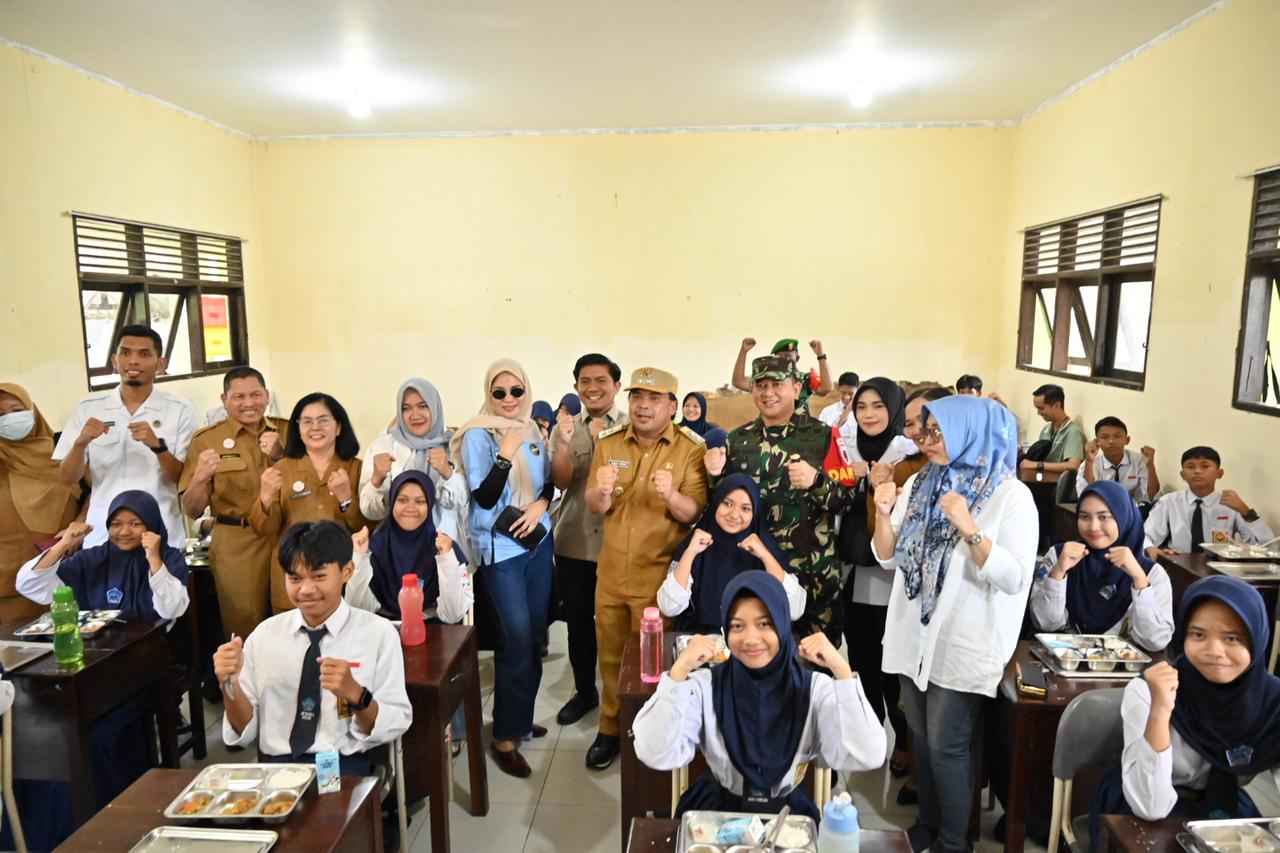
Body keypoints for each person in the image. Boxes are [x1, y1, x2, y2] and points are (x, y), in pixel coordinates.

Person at [871, 396, 1037, 853]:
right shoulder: (922, 481)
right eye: (925, 431)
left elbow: (1014, 577)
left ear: (972, 432)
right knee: (922, 737)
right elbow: (886, 556)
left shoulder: (1010, 496)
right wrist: (882, 513)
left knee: (948, 744)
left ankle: (953, 841)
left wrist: (969, 526)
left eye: (938, 432)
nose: (926, 441)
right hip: (913, 631)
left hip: (964, 639)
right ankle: (927, 825)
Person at [214, 520, 411, 844]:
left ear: (347, 571)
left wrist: (356, 694)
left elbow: (397, 721)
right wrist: (228, 684)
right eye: (295, 578)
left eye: (318, 576)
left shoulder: (377, 635)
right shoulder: (265, 635)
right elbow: (243, 732)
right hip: (274, 769)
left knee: (322, 838)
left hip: (339, 766)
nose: (305, 590)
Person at [634, 572, 887, 819]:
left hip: (788, 818)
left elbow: (867, 754)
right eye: (737, 626)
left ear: (783, 624)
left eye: (764, 623)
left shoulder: (814, 689)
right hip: (716, 813)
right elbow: (656, 752)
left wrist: (842, 671)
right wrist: (679, 671)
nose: (751, 639)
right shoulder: (706, 686)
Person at [586, 367, 708, 770]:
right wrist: (603, 492)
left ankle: (651, 730)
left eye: (655, 399)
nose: (643, 406)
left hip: (657, 580)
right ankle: (610, 727)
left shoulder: (690, 449)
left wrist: (671, 495)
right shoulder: (608, 443)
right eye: (637, 397)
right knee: (609, 657)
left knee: (652, 664)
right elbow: (595, 505)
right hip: (610, 575)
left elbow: (694, 512)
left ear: (672, 406)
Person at [1100, 576, 1280, 824]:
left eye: (1232, 638)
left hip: (1225, 809)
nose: (1214, 650)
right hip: (1143, 812)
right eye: (1198, 634)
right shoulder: (1150, 689)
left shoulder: (1272, 703)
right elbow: (1150, 807)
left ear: (1257, 640)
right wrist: (1160, 711)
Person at [450, 358, 554, 778]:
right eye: (499, 392)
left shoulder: (533, 430)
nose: (509, 399)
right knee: (515, 639)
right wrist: (505, 455)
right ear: (488, 394)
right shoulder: (478, 433)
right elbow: (486, 497)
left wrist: (541, 504)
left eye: (516, 391)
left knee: (535, 637)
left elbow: (548, 484)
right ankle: (504, 738)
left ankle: (520, 719)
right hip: (502, 551)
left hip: (537, 545)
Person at [708, 355, 856, 642]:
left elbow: (847, 500)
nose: (768, 393)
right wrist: (713, 476)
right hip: (755, 570)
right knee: (757, 652)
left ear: (796, 389)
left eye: (777, 384)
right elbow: (723, 505)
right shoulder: (737, 440)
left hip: (813, 576)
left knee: (815, 659)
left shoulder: (823, 436)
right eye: (761, 385)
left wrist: (816, 482)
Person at [836, 377, 916, 781]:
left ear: (894, 409)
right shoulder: (843, 447)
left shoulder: (909, 453)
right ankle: (869, 736)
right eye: (862, 407)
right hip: (852, 572)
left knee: (893, 667)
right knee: (861, 659)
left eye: (878, 406)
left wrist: (880, 482)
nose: (868, 415)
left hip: (893, 575)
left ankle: (904, 741)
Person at [55, 325, 195, 547]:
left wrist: (158, 447)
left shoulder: (180, 409)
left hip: (159, 533)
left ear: (160, 364)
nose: (133, 361)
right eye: (125, 352)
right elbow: (66, 479)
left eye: (144, 354)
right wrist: (80, 444)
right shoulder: (88, 408)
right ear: (114, 360)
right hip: (102, 535)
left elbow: (182, 478)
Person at [180, 367, 288, 640]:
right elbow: (191, 509)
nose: (249, 403)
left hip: (285, 535)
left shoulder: (288, 431)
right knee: (244, 623)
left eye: (256, 395)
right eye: (239, 397)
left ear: (267, 396)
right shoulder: (207, 440)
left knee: (293, 616)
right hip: (237, 540)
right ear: (224, 400)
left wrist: (282, 454)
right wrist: (200, 478)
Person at [549, 353, 626, 725]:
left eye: (601, 380)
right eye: (585, 381)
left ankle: (623, 695)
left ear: (617, 386)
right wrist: (566, 444)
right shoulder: (565, 427)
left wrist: (604, 444)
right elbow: (561, 481)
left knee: (620, 624)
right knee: (579, 623)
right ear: (576, 386)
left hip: (619, 543)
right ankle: (585, 691)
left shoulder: (631, 426)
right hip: (575, 541)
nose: (592, 388)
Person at [251, 392, 368, 613]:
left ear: (339, 427)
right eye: (307, 421)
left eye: (323, 420)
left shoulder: (357, 468)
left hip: (342, 579)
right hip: (293, 581)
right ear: (297, 429)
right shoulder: (281, 469)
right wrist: (265, 498)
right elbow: (264, 529)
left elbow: (368, 527)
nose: (315, 427)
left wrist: (346, 498)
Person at [1030, 480, 1174, 651]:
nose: (1093, 527)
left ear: (1124, 517)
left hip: (1124, 664)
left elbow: (1155, 642)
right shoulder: (1060, 556)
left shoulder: (1152, 573)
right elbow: (1045, 623)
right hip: (1065, 658)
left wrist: (1139, 580)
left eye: (1103, 517)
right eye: (1084, 517)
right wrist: (1058, 571)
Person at [657, 473, 803, 632]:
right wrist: (690, 552)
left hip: (751, 640)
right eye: (727, 503)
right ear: (715, 503)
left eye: (745, 508)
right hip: (700, 640)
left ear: (754, 513)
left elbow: (794, 610)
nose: (734, 515)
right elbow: (669, 607)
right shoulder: (696, 543)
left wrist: (765, 556)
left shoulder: (764, 547)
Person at [17, 490, 189, 620]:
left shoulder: (170, 558)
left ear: (151, 524)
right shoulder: (91, 559)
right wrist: (63, 545)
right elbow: (29, 585)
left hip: (151, 646)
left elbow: (171, 610)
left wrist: (154, 559)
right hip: (96, 648)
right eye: (116, 524)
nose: (124, 532)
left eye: (135, 524)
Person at [358, 378, 469, 559]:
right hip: (396, 551)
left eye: (423, 406)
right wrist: (376, 479)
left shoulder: (454, 445)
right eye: (406, 408)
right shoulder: (382, 446)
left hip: (443, 548)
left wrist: (447, 473)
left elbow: (462, 503)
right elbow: (370, 512)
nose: (414, 415)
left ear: (435, 407)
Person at [345, 471, 472, 624]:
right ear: (392, 502)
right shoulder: (373, 547)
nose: (410, 508)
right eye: (402, 500)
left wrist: (446, 560)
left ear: (430, 505)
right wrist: (359, 558)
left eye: (420, 501)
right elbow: (356, 608)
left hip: (434, 629)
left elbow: (453, 615)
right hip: (381, 629)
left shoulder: (444, 547)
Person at [0, 383, 80, 624]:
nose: (9, 418)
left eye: (17, 410)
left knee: (73, 636)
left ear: (32, 411)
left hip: (66, 567)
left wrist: (79, 524)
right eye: (0, 414)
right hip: (9, 580)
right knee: (21, 643)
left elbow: (92, 494)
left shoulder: (62, 451)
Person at [1143, 447, 1274, 558]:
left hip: (1220, 569)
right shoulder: (1169, 502)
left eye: (1205, 466)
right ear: (1182, 475)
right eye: (1190, 466)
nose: (1197, 471)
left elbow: (1268, 548)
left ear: (1219, 473)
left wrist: (1246, 512)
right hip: (1179, 566)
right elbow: (1145, 535)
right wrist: (1150, 548)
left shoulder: (1231, 504)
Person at [732, 338, 834, 412]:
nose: (783, 360)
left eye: (788, 356)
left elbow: (826, 388)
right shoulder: (766, 379)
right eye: (779, 357)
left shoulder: (804, 378)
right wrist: (743, 351)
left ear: (797, 358)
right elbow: (738, 382)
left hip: (799, 431)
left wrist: (820, 355)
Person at [1079, 417, 1159, 503]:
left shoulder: (1139, 460)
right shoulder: (1089, 464)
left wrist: (1150, 466)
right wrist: (1089, 461)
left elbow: (1152, 496)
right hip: (1101, 509)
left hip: (1133, 509)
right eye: (1105, 437)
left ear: (1127, 440)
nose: (1111, 441)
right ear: (1097, 442)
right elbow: (1087, 498)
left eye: (1117, 436)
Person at [1019, 383, 1085, 481]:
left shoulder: (1073, 433)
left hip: (1056, 485)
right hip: (1040, 481)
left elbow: (1073, 466)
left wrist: (1038, 465)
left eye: (1041, 408)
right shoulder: (1046, 429)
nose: (1038, 413)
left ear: (1056, 405)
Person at [818, 371, 860, 444]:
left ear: (858, 390)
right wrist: (847, 411)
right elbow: (820, 436)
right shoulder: (827, 412)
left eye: (851, 393)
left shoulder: (863, 412)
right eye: (843, 393)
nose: (846, 397)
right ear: (838, 389)